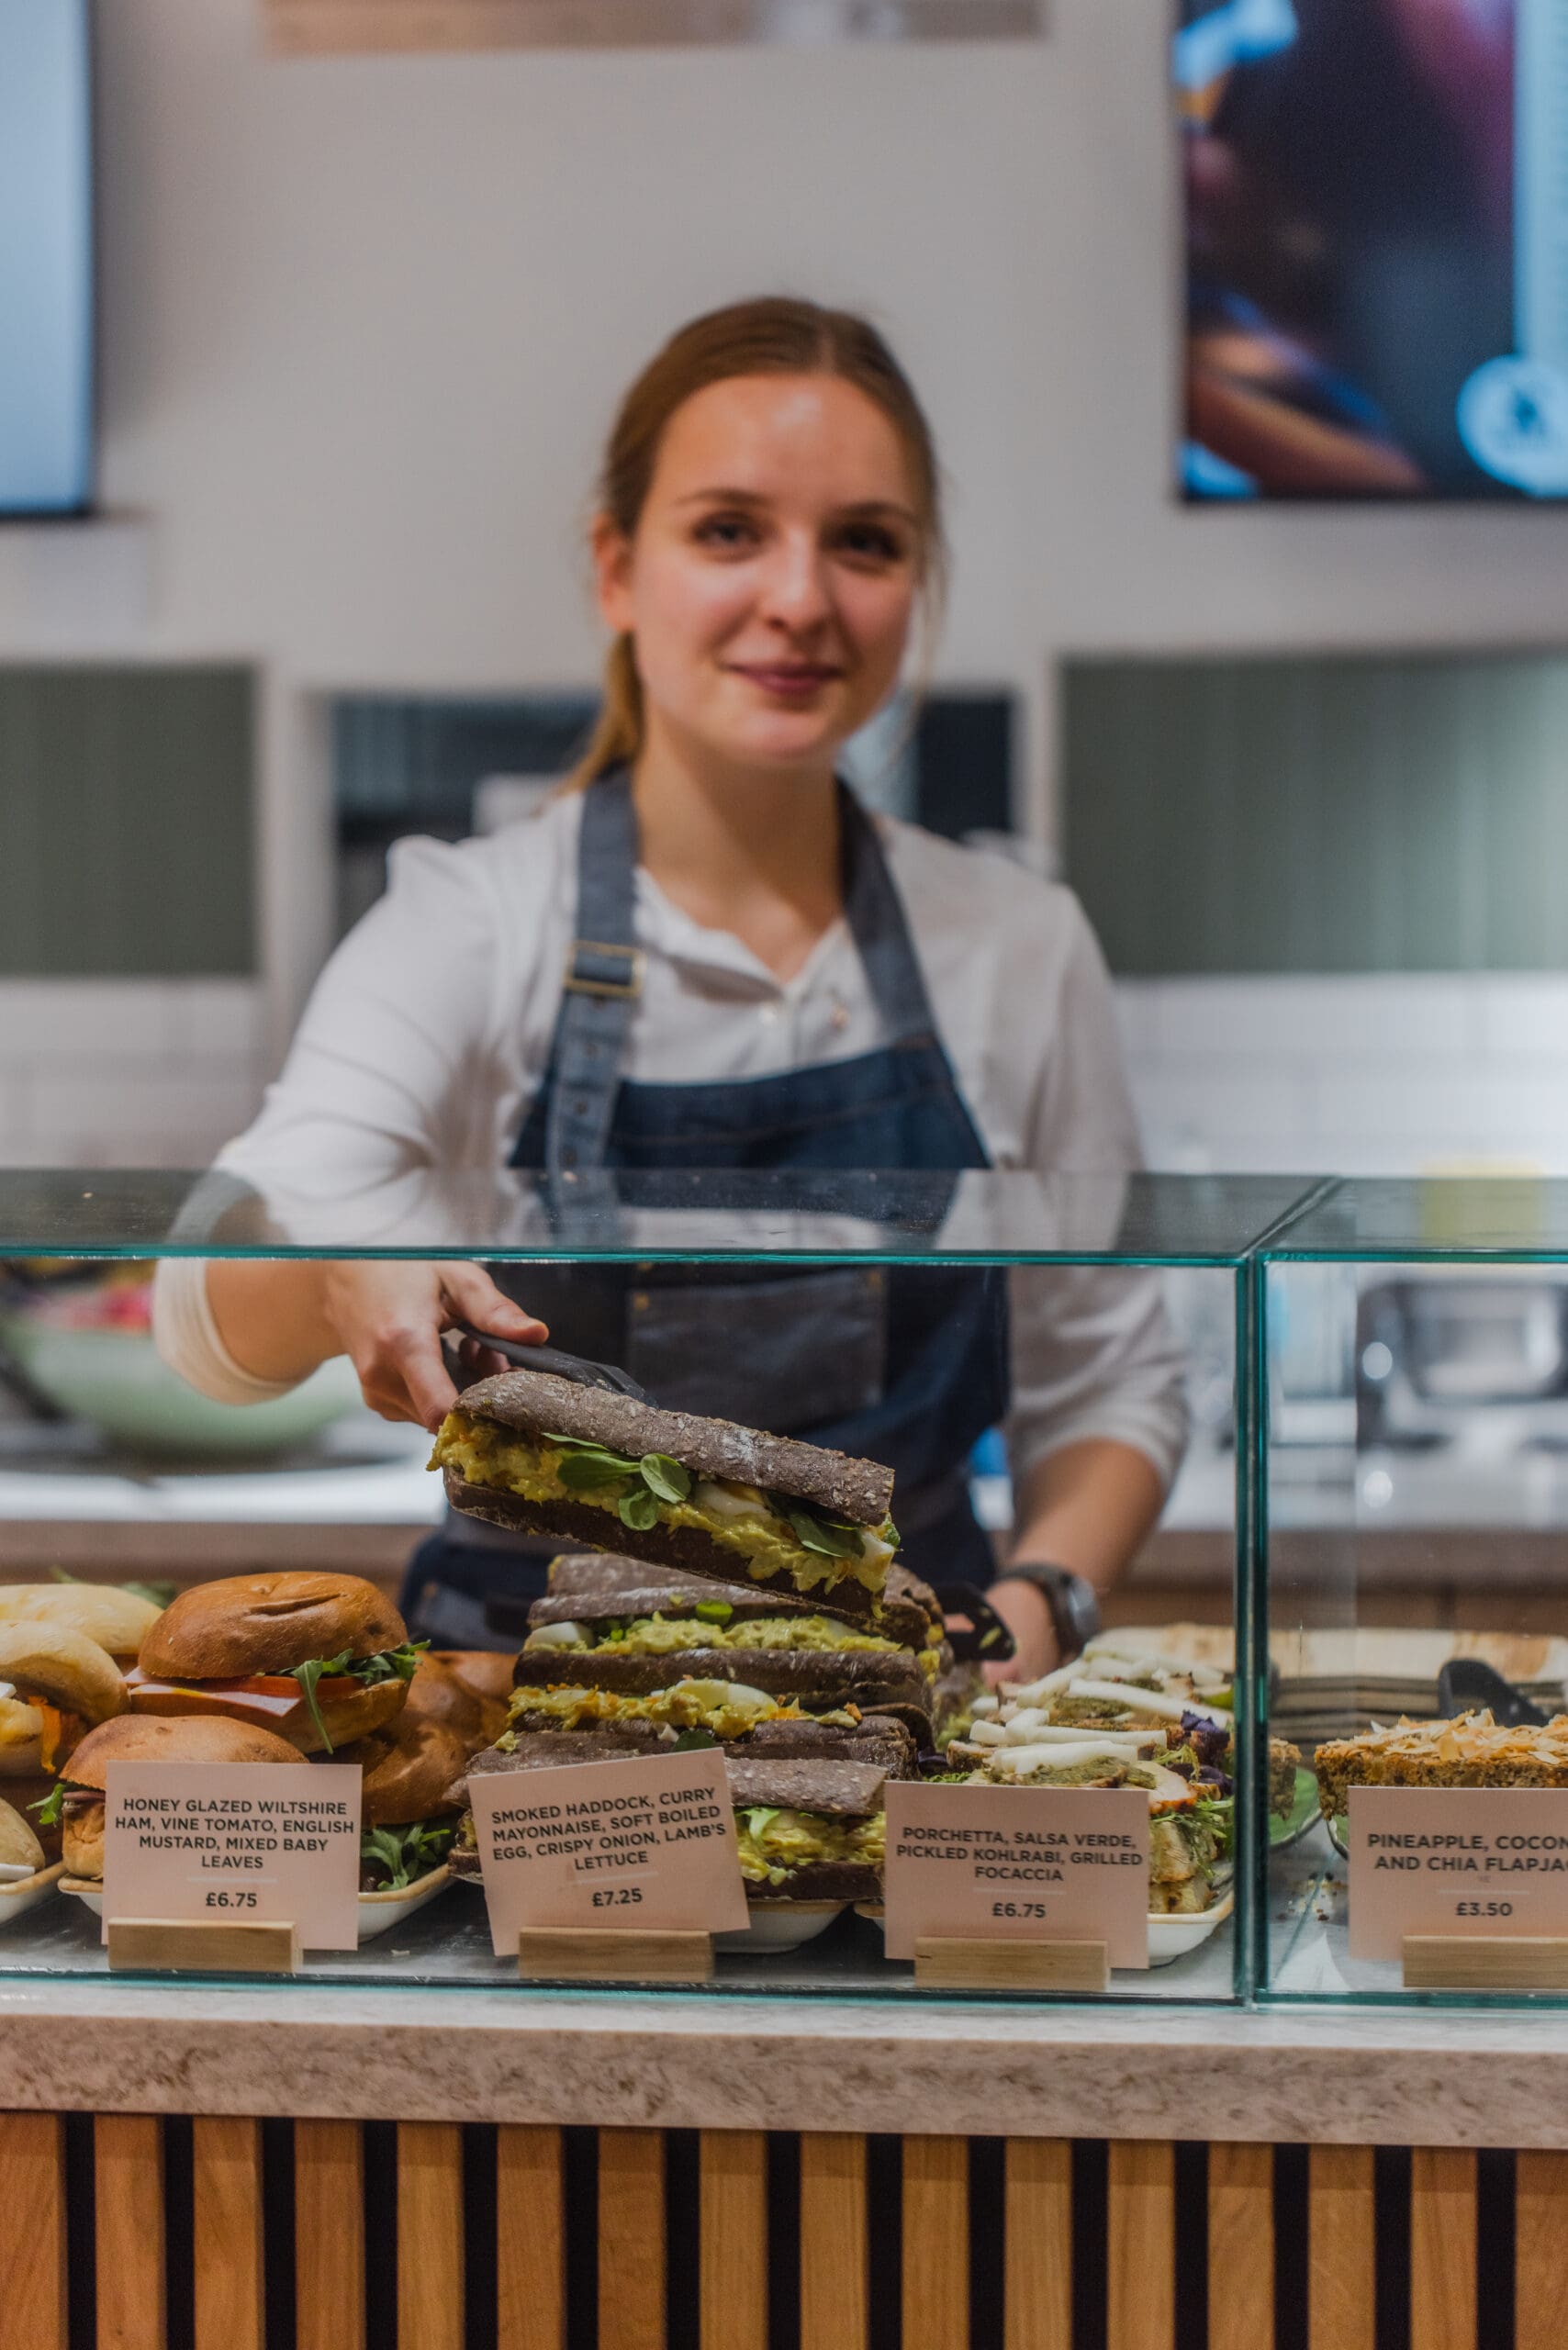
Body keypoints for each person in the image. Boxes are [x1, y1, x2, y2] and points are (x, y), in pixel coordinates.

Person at [154, 297, 1186, 1680]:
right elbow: (203, 1311)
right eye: (728, 530)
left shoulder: (1018, 941)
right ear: (616, 570)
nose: (802, 599)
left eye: (865, 543)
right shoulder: (470, 926)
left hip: (914, 1708)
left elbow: (1110, 1382)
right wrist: (338, 1267)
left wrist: (1037, 1609)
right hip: (528, 1727)